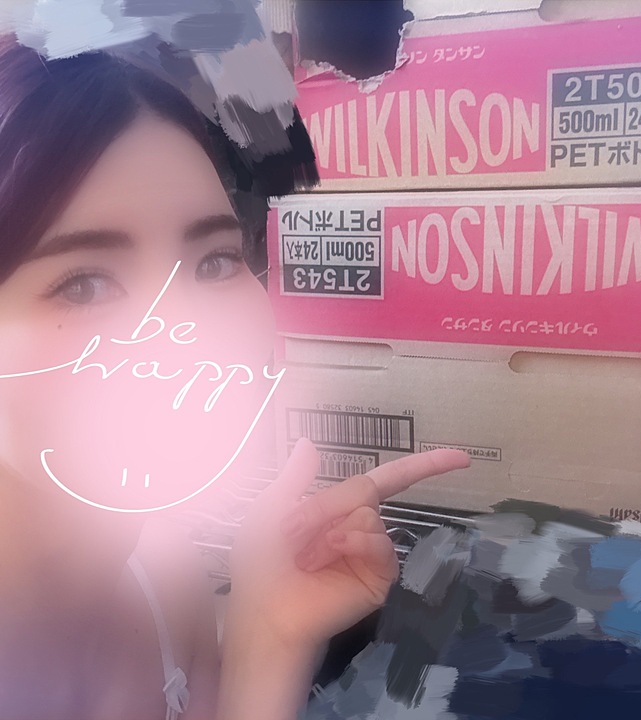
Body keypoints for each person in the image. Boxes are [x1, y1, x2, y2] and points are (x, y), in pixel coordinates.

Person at [0, 34, 469, 720]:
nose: (187, 331)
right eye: (85, 284)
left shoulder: (162, 569)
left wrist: (267, 634)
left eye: (215, 261)